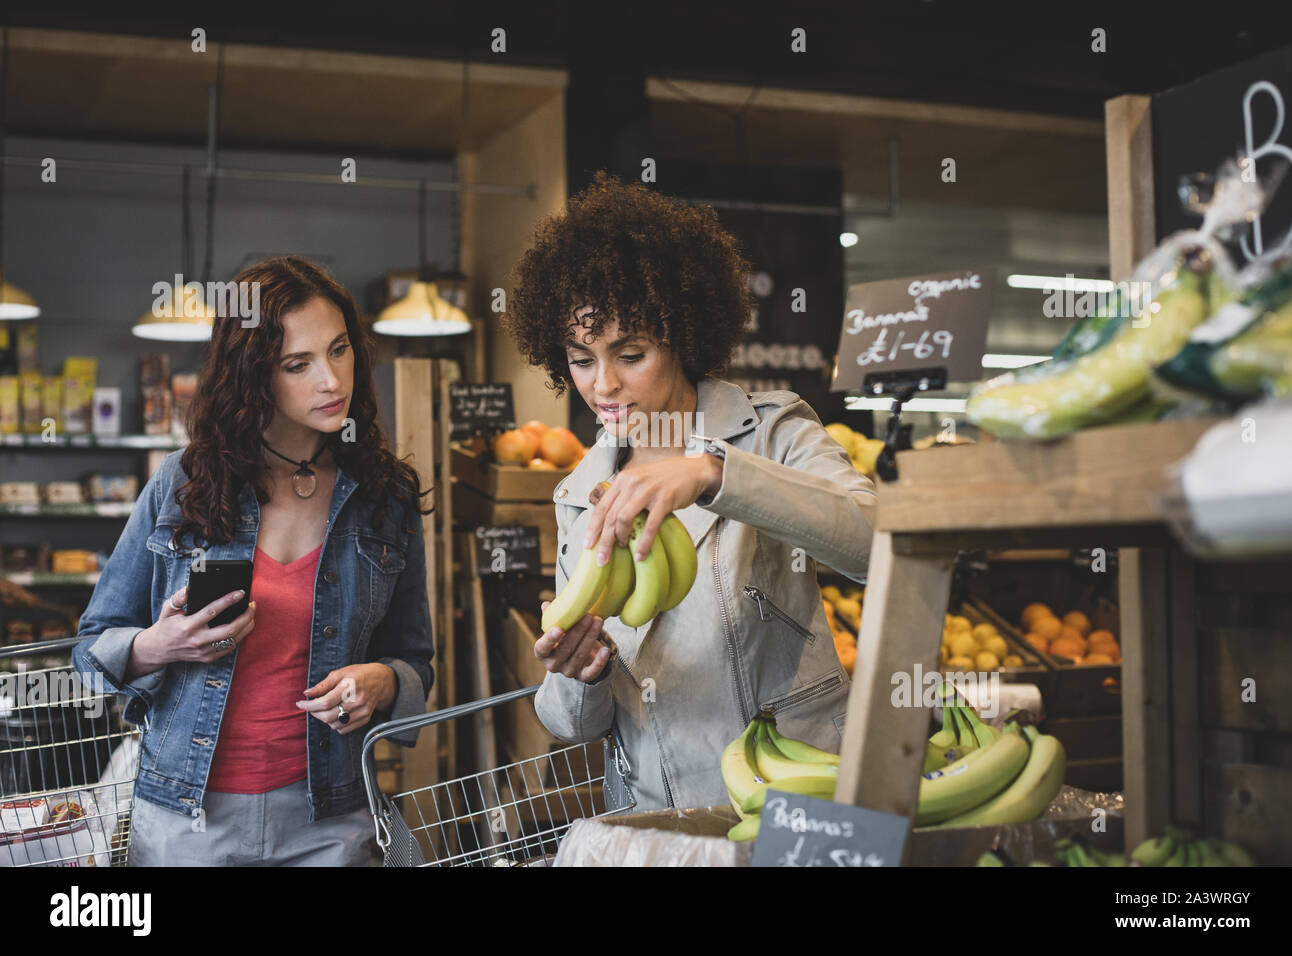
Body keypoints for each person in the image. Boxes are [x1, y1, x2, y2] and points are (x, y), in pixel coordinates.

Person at [503, 172, 876, 810]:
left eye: (631, 353)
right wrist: (577, 675)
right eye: (582, 358)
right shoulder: (580, 494)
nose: (603, 386)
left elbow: (876, 542)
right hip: (662, 815)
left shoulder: (771, 431)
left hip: (802, 796)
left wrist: (715, 474)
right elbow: (573, 725)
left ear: (683, 334)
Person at [73, 256, 435, 865]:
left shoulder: (384, 495)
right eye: (299, 364)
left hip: (331, 819)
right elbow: (89, 650)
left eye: (340, 350)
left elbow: (416, 660)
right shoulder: (185, 484)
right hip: (187, 821)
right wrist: (162, 644)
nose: (332, 380)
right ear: (254, 376)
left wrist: (384, 680)